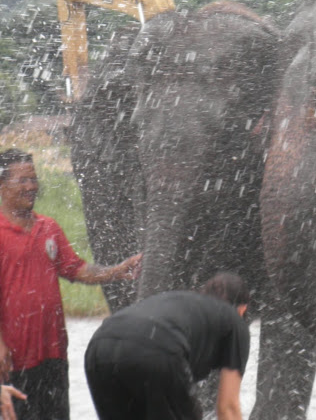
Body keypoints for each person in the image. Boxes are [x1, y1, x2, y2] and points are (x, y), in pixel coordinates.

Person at [0, 148, 142, 420]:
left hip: (53, 354)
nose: (31, 187)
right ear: (1, 184)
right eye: (22, 181)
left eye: (34, 179)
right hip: (11, 362)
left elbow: (75, 268)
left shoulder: (48, 227)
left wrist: (116, 271)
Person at [84, 271, 251, 420]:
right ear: (242, 309)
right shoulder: (234, 321)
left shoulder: (183, 303)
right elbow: (227, 408)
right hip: (157, 348)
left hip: (99, 347)